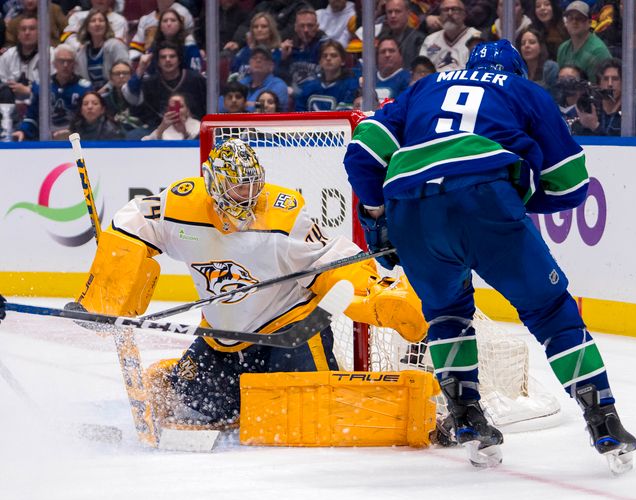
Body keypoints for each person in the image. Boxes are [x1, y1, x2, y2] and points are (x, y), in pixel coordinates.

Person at [343, 40, 636, 471]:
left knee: (446, 314)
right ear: (517, 71)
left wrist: (376, 213)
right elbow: (573, 186)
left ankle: (466, 418)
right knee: (551, 311)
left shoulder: (425, 87)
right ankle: (603, 421)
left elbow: (362, 152)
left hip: (411, 206)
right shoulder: (525, 92)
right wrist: (515, 195)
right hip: (486, 199)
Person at [69, 138, 427, 430]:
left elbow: (330, 260)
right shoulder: (180, 206)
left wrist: (379, 294)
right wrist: (106, 297)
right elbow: (131, 224)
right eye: (239, 189)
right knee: (197, 409)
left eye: (254, 186)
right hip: (221, 336)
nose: (249, 197)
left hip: (289, 330)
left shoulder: (284, 215)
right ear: (214, 184)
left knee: (304, 419)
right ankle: (174, 376)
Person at [13, 44, 90, 140]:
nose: (65, 65)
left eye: (69, 61)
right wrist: (23, 131)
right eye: (61, 61)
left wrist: (74, 132)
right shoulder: (41, 86)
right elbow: (31, 116)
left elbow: (89, 120)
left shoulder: (84, 88)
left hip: (76, 140)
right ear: (54, 63)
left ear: (74, 64)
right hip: (45, 141)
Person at [73, 8, 128, 91]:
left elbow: (126, 72)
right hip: (91, 97)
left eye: (101, 20)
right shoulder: (82, 52)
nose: (97, 24)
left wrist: (104, 91)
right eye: (93, 21)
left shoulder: (116, 46)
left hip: (115, 93)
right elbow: (79, 79)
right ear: (87, 27)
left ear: (106, 25)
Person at [295, 39, 357, 112]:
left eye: (333, 55)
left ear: (343, 61)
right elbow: (299, 114)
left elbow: (344, 115)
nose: (328, 58)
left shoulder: (350, 86)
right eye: (324, 56)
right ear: (320, 61)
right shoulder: (308, 87)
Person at [419, 0, 482, 72]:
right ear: (440, 14)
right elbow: (421, 70)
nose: (449, 13)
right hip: (435, 82)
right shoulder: (430, 39)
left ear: (464, 14)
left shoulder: (477, 38)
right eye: (445, 10)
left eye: (454, 9)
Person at [556, 1, 612, 82]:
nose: (574, 22)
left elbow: (599, 87)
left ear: (589, 23)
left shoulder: (598, 52)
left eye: (579, 18)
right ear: (566, 22)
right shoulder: (563, 48)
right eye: (570, 18)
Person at [225, 44, 289, 112]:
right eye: (254, 57)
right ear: (249, 63)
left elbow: (266, 108)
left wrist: (239, 105)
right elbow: (220, 105)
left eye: (263, 58)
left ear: (271, 66)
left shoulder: (279, 85)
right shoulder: (242, 82)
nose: (258, 60)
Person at [228, 11, 282, 81]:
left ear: (271, 30)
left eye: (264, 26)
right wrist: (250, 48)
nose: (259, 30)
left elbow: (275, 74)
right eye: (255, 27)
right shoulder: (245, 50)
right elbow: (234, 69)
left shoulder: (278, 53)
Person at [60, 0, 128, 50]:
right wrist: (80, 47)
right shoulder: (77, 17)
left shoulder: (119, 20)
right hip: (79, 57)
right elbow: (67, 37)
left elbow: (116, 45)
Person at [378, 0, 426, 69]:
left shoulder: (419, 40)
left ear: (408, 13)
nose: (393, 16)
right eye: (389, 12)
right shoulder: (381, 38)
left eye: (397, 11)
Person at [517, 25, 558, 92]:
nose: (526, 46)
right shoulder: (519, 71)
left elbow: (556, 97)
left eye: (532, 42)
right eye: (523, 43)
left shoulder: (550, 68)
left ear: (541, 47)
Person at [376, 36, 410, 100]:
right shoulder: (369, 80)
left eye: (391, 51)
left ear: (401, 56)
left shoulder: (409, 79)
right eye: (383, 51)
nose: (387, 55)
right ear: (377, 57)